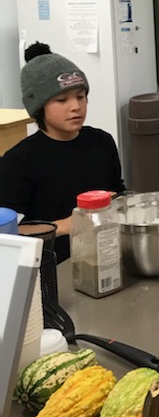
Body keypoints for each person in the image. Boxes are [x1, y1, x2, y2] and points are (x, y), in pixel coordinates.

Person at [0, 43, 125, 263]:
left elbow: (118, 192)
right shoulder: (18, 161)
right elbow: (13, 233)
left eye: (81, 96)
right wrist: (67, 225)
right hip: (50, 268)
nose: (76, 106)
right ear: (38, 107)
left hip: (105, 255)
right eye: (62, 100)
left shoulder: (102, 142)